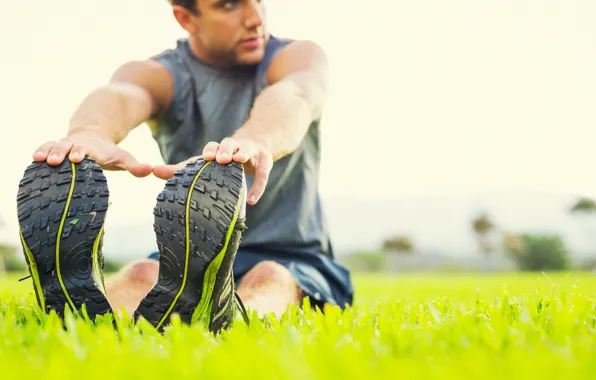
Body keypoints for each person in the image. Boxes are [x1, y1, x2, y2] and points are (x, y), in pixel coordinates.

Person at [17, 0, 353, 333]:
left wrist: (257, 139)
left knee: (271, 277)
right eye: (229, 5)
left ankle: (231, 319)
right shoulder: (163, 73)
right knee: (140, 274)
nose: (255, 18)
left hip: (293, 257)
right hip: (189, 258)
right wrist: (89, 133)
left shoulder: (297, 57)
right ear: (185, 18)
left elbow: (295, 95)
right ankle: (85, 319)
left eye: (258, 1)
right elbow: (121, 94)